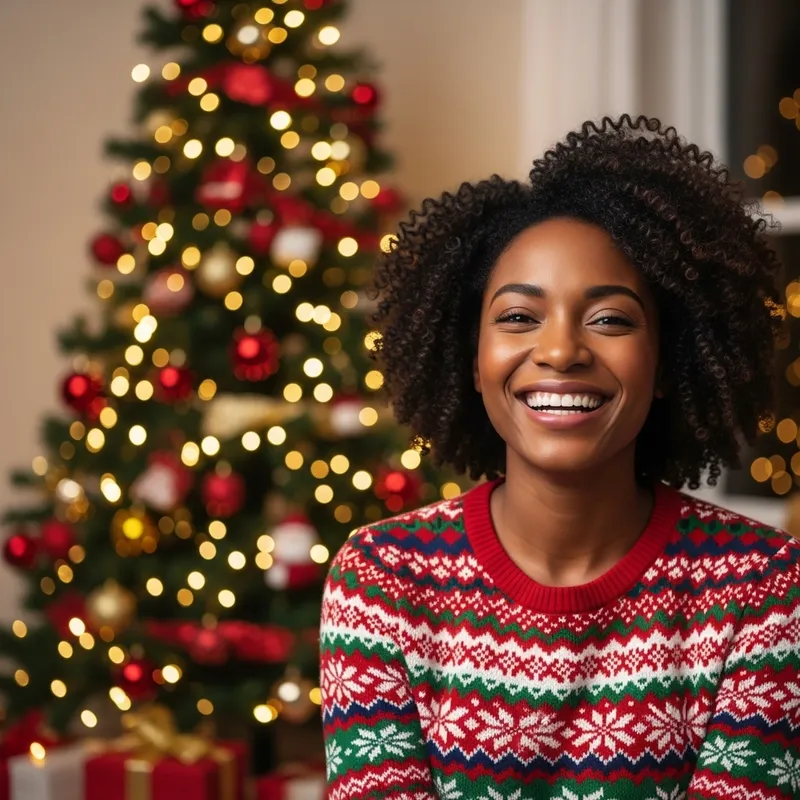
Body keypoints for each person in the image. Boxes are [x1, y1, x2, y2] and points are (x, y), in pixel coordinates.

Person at [319, 115, 800, 799]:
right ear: (473, 361)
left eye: (610, 319)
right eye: (519, 317)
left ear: (667, 360)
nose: (561, 351)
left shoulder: (763, 588)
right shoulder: (383, 580)